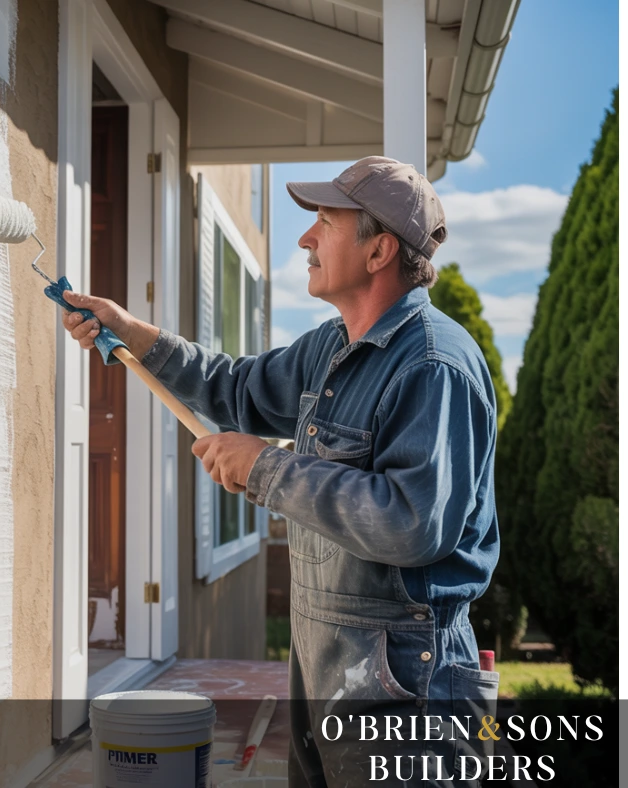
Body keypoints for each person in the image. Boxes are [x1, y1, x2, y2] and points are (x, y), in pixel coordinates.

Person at [62, 156, 500, 786]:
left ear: (378, 252)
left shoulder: (433, 366)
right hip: (324, 659)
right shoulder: (332, 347)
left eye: (325, 220)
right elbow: (233, 389)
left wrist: (266, 467)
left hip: (407, 677)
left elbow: (412, 524)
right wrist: (132, 331)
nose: (305, 237)